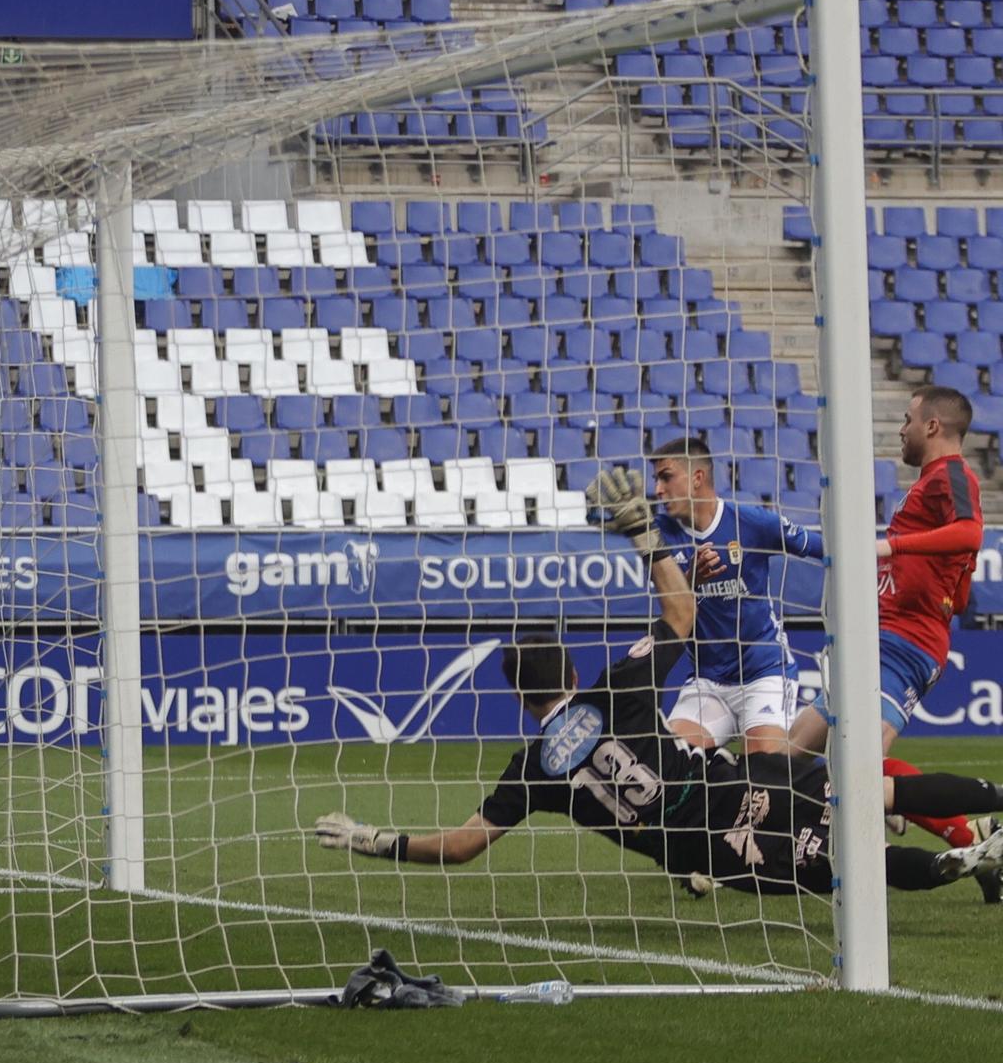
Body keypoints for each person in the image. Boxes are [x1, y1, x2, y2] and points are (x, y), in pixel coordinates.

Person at [315, 465, 1003, 900]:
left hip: (713, 846)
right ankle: (984, 813)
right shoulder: (615, 691)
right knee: (859, 787)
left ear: (522, 701)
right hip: (741, 786)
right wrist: (643, 535)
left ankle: (965, 858)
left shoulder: (532, 770)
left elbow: (463, 844)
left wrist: (376, 839)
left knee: (835, 869)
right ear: (573, 672)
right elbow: (680, 613)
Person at [787, 385, 992, 860]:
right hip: (882, 635)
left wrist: (891, 548)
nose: (901, 429)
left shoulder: (953, 476)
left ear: (932, 426)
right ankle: (968, 839)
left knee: (855, 759)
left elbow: (970, 532)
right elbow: (959, 592)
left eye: (907, 419)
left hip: (906, 644)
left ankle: (898, 853)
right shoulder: (929, 484)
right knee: (796, 750)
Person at [648, 436, 821, 755]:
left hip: (764, 672)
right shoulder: (658, 533)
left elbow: (824, 548)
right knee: (667, 765)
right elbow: (671, 607)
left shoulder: (752, 523)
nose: (658, 489)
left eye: (666, 477)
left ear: (697, 477)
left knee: (765, 776)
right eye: (656, 479)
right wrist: (691, 581)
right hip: (707, 681)